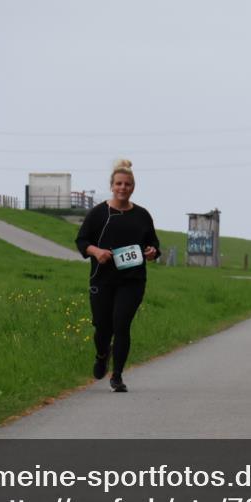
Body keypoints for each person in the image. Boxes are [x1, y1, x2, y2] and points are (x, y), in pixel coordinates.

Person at [75, 159, 161, 392]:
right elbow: (81, 241)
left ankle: (118, 376)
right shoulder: (98, 213)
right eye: (119, 184)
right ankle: (102, 355)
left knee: (121, 324)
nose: (123, 188)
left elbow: (153, 244)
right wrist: (96, 251)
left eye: (128, 185)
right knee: (102, 327)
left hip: (132, 280)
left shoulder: (142, 215)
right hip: (102, 279)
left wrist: (153, 252)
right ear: (112, 186)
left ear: (133, 187)